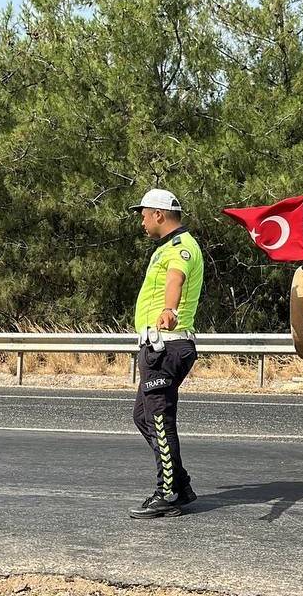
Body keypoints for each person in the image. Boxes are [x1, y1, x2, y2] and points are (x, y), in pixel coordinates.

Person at [126, 188, 204, 519]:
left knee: (159, 419)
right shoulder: (167, 248)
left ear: (159, 214)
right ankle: (181, 485)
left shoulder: (181, 248)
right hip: (158, 345)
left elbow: (176, 280)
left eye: (143, 214)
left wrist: (169, 309)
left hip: (166, 346)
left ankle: (168, 492)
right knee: (143, 417)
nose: (142, 221)